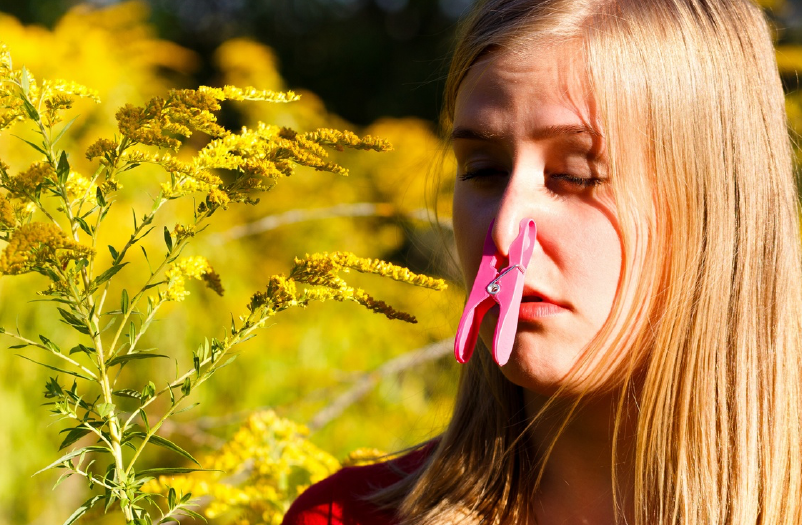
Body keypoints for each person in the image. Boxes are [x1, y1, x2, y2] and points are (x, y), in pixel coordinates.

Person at [282, 0, 802, 523]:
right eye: (483, 170)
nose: (504, 232)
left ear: (717, 204)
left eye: (575, 176)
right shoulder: (340, 515)